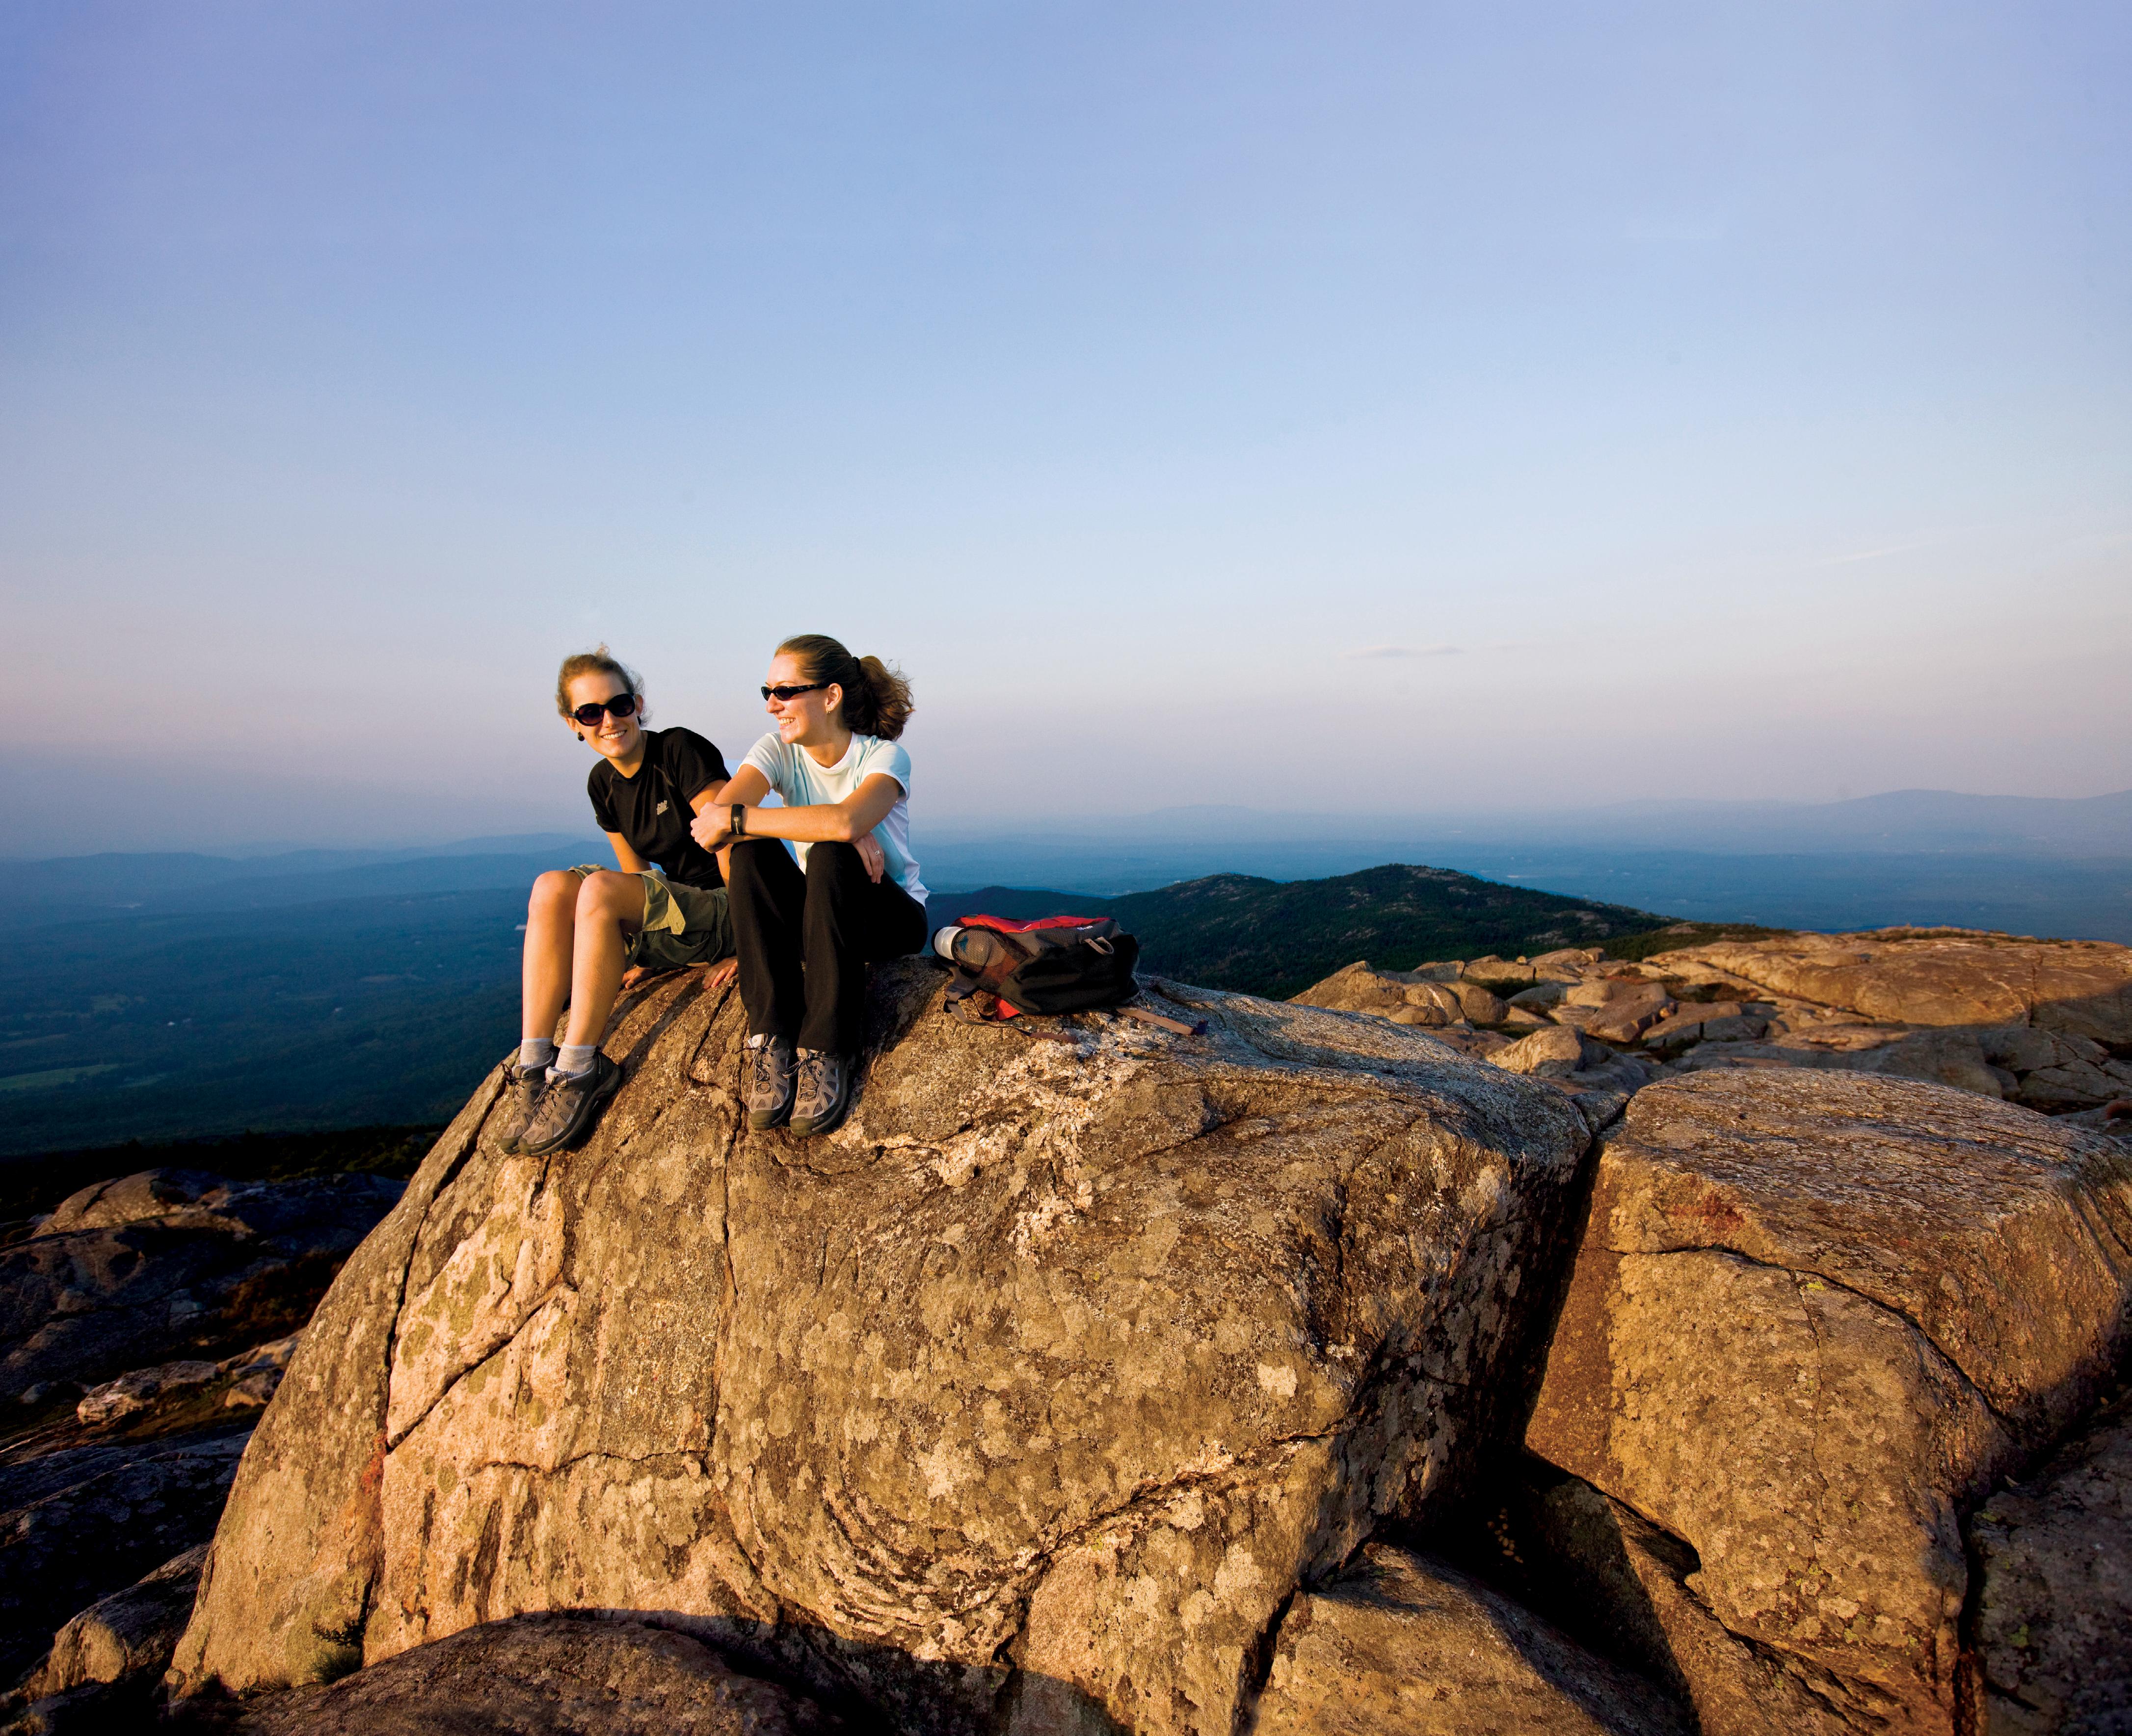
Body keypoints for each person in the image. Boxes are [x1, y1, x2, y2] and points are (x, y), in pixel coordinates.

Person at [496, 647, 738, 1157]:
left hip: (731, 905)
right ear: (573, 723)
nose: (608, 720)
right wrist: (635, 951)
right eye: (590, 713)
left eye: (619, 704)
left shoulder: (679, 750)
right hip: (682, 912)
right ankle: (536, 1061)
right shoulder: (602, 782)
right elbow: (637, 875)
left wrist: (752, 945)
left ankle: (580, 1066)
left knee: (598, 891)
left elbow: (739, 842)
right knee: (552, 887)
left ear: (638, 704)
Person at [689, 634, 928, 1137]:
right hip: (820, 915)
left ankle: (826, 1047)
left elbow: (840, 823)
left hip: (888, 916)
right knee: (751, 851)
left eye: (787, 691)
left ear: (831, 696)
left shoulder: (883, 758)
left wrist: (842, 829)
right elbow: (715, 825)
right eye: (768, 691)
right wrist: (832, 825)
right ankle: (770, 1036)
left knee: (830, 852)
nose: (773, 704)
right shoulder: (777, 750)